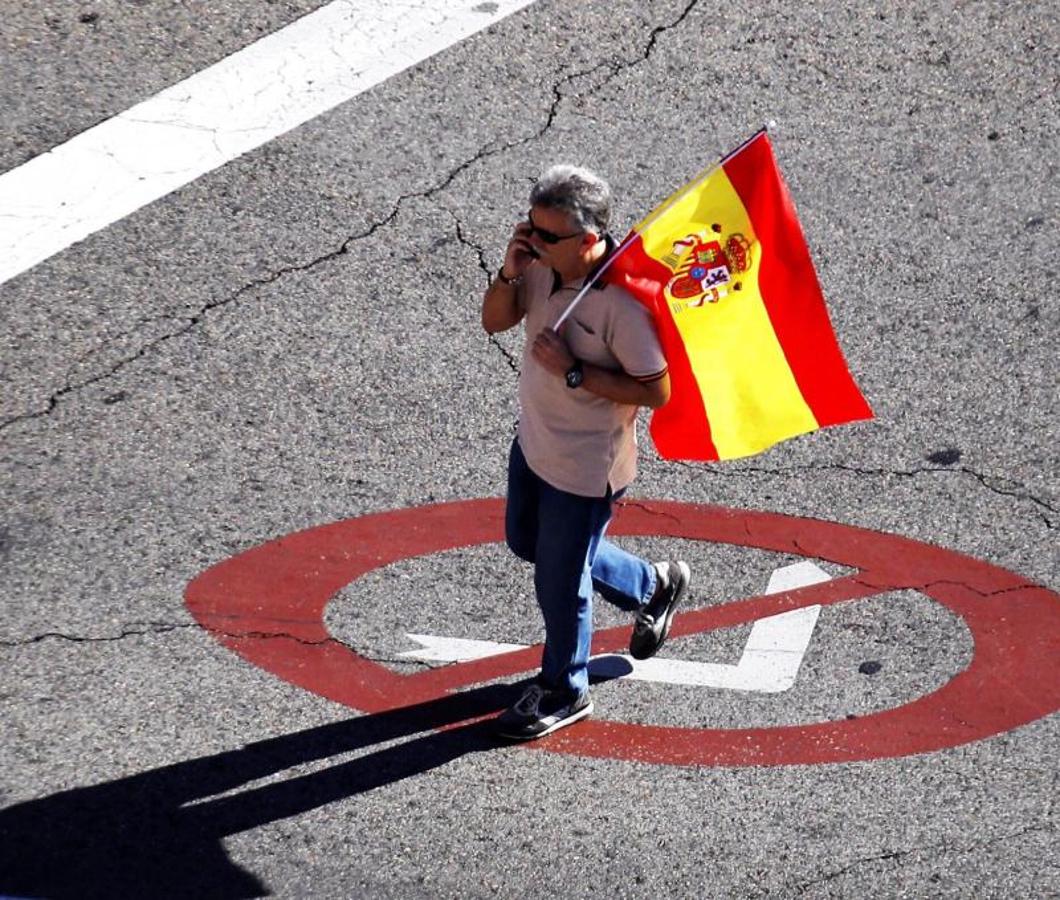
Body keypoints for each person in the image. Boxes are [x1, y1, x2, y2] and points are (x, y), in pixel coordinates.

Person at [481, 164, 691, 741]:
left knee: (559, 579)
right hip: (534, 445)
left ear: (590, 239)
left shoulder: (621, 308)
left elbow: (657, 390)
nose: (533, 240)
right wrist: (509, 269)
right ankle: (651, 585)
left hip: (584, 469)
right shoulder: (541, 270)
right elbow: (494, 321)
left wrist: (575, 373)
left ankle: (564, 689)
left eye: (546, 235)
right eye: (530, 226)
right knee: (527, 542)